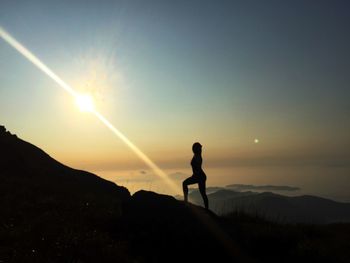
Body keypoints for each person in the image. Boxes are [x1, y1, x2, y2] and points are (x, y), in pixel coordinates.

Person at [183, 142, 209, 210]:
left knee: (184, 183)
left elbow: (197, 168)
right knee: (203, 193)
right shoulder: (197, 155)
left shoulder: (198, 156)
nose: (200, 149)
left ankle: (186, 201)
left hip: (199, 176)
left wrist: (195, 175)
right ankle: (207, 209)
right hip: (200, 176)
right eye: (199, 148)